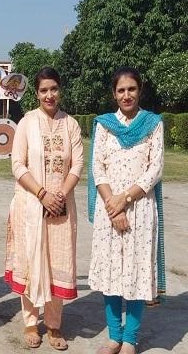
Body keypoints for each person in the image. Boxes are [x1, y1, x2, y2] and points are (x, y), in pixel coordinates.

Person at [4, 66, 83, 350]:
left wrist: (59, 195)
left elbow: (77, 164)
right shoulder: (27, 122)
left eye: (53, 89)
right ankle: (29, 322)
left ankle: (54, 326)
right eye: (43, 90)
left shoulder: (71, 124)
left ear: (60, 90)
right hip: (31, 206)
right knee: (31, 260)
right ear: (36, 94)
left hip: (61, 207)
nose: (49, 95)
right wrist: (41, 194)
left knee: (56, 262)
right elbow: (17, 164)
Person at [88, 67, 164, 354]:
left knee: (135, 271)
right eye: (121, 90)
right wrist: (113, 206)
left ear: (139, 90)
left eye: (131, 89)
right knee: (111, 272)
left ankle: (130, 339)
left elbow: (154, 169)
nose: (126, 95)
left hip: (140, 208)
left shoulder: (153, 123)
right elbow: (98, 168)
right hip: (111, 211)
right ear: (114, 94)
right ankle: (113, 336)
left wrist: (125, 200)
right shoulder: (104, 125)